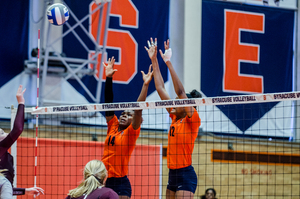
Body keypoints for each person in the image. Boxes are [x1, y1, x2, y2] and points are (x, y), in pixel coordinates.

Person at [145, 38, 201, 199]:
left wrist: (168, 62)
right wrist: (154, 59)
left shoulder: (193, 121)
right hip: (172, 174)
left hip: (185, 174)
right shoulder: (175, 117)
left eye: (178, 101)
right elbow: (160, 87)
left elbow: (182, 93)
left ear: (188, 107)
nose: (174, 102)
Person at [101, 57, 153, 199]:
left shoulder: (131, 132)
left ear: (135, 121)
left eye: (128, 114)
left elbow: (138, 109)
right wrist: (109, 78)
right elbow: (108, 103)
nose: (124, 115)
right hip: (104, 181)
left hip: (121, 183)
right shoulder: (113, 125)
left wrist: (145, 85)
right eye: (123, 113)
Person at [0, 85, 44, 198]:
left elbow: (7, 190)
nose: (5, 133)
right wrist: (21, 102)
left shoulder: (6, 157)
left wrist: (26, 191)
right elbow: (18, 129)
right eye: (1, 133)